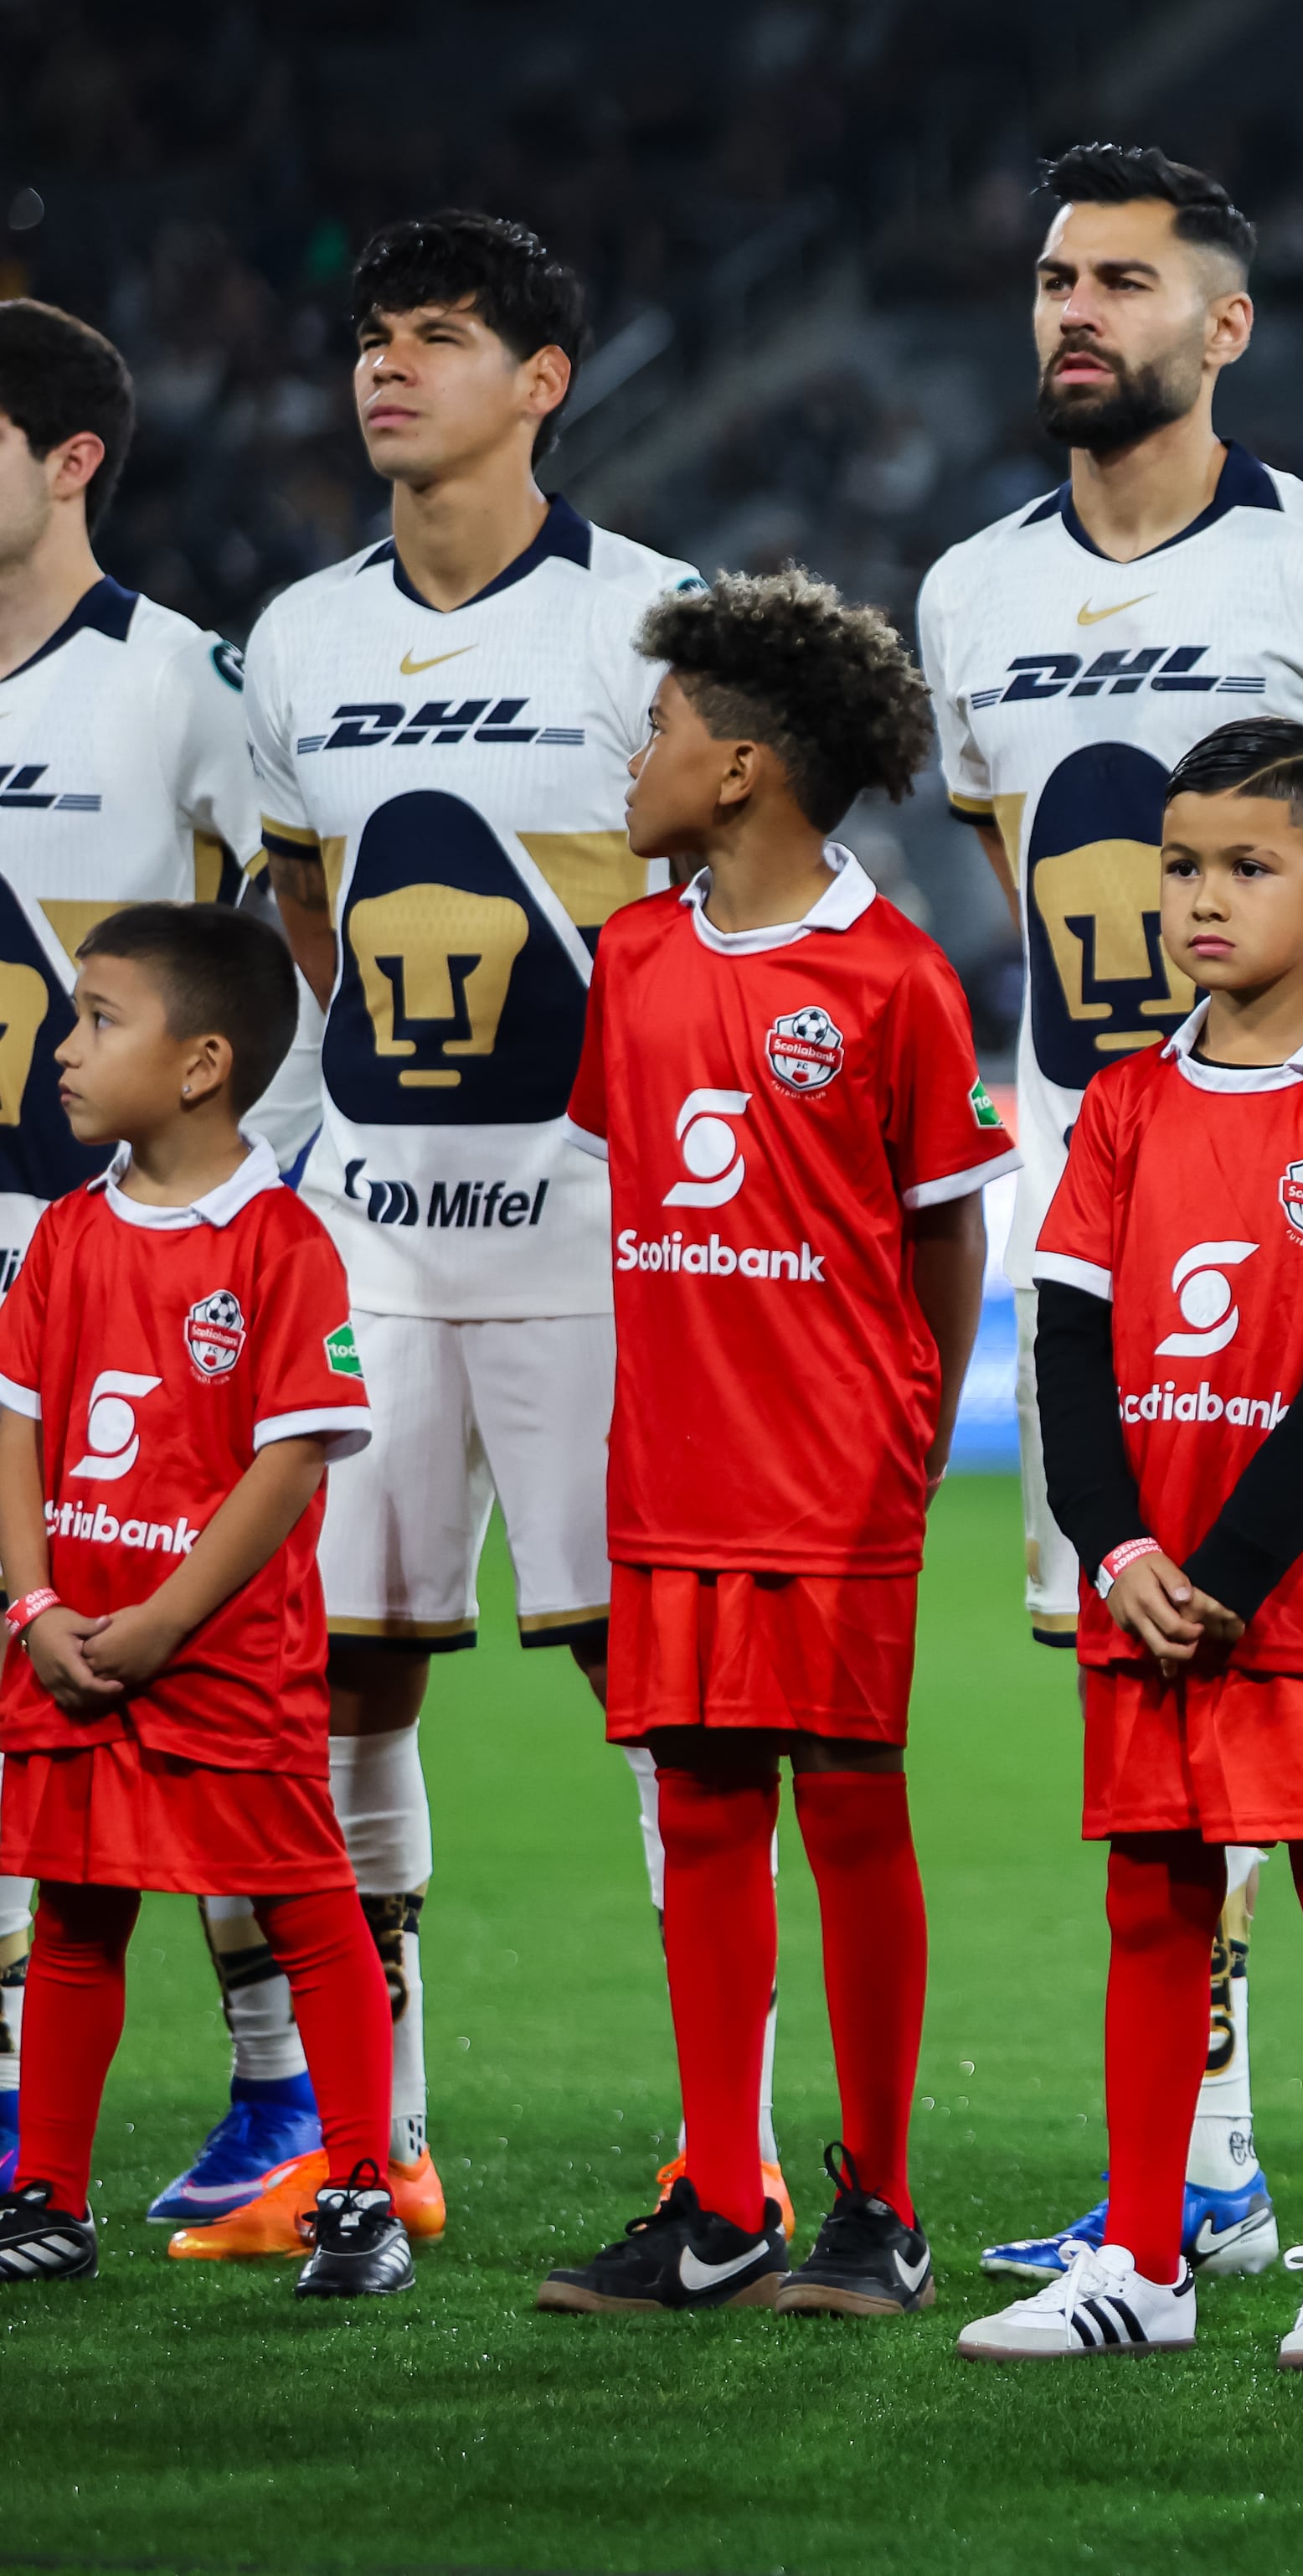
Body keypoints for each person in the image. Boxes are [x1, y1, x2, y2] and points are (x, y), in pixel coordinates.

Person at [926, 144, 1303, 2290]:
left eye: (1127, 282)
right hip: (1116, 1191)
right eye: (1056, 276)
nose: (1079, 311)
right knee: (1139, 1671)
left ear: (1223, 326)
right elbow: (1028, 866)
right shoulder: (970, 590)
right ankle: (1211, 2169)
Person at [239, 210, 701, 2247]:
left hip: (600, 1240)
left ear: (545, 382)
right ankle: (376, 2146)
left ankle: (722, 2140)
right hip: (381, 1249)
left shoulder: (660, 622)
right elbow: (298, 919)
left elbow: (735, 921)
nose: (386, 369)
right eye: (371, 336)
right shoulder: (300, 637)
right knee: (340, 1682)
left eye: (437, 337)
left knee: (662, 1689)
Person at [530, 571, 1007, 2315]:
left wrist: (913, 1423)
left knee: (855, 1815)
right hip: (673, 1468)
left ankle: (878, 2204)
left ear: (740, 766)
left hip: (833, 1474)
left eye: (660, 727)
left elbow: (946, 1228)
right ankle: (718, 2198)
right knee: (709, 1807)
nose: (633, 752)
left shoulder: (893, 977)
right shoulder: (634, 953)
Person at [959, 718, 1303, 2370]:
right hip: (1146, 1586)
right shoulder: (1119, 1102)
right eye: (1181, 862)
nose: (1198, 894)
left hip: (1290, 1586)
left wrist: (1228, 1568)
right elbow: (1066, 1345)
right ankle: (1146, 2253)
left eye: (1245, 865)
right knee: (1155, 1904)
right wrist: (1114, 1552)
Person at [0, 904, 399, 2298]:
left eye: (99, 1018)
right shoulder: (61, 1235)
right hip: (66, 1648)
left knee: (301, 1902)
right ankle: (45, 2191)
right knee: (75, 1911)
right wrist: (34, 1604)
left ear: (200, 1064)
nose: (62, 1046)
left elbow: (291, 1461)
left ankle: (359, 2184)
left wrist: (166, 1618)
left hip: (222, 1656)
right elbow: (15, 1430)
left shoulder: (283, 1242)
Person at [0, 301, 270, 2203]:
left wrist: (236, 1225)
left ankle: (291, 2090)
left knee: (173, 1692)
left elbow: (287, 976)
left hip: (105, 1282)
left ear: (71, 459)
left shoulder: (183, 682)